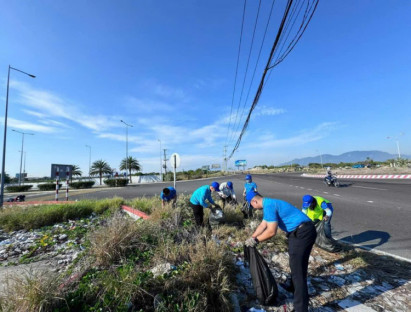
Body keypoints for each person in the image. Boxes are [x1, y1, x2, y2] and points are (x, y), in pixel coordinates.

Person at [244, 191, 317, 312]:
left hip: (302, 233)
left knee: (298, 271)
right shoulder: (269, 203)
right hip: (301, 232)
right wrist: (251, 238)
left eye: (252, 205)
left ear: (254, 201)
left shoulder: (269, 205)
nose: (253, 208)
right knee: (297, 265)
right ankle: (293, 287)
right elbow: (263, 225)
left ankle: (301, 308)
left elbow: (271, 231)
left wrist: (256, 241)